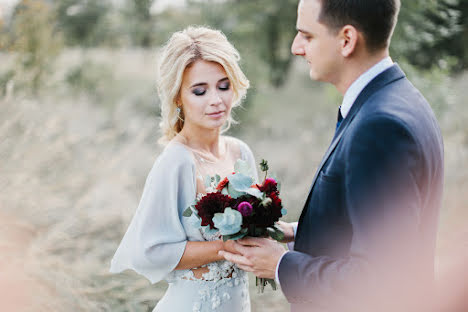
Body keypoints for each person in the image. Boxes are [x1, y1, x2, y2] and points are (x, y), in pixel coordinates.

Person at [219, 0, 444, 311]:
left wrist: (281, 265)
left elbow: (382, 279)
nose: (297, 48)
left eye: (307, 36)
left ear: (347, 40)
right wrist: (295, 233)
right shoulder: (398, 99)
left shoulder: (380, 126)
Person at [110, 26, 257, 312]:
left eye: (224, 86)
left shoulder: (241, 152)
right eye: (200, 91)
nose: (216, 100)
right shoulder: (176, 161)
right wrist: (229, 248)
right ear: (178, 96)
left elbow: (260, 228)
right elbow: (151, 251)